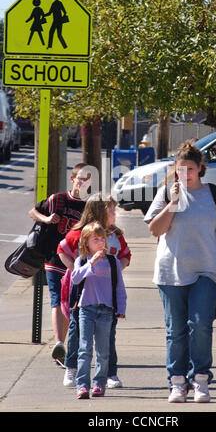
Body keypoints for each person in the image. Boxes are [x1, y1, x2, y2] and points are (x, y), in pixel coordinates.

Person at [144, 141, 216, 403]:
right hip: (171, 272)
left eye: (190, 169)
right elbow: (155, 230)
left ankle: (200, 378)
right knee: (175, 329)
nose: (185, 174)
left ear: (200, 168)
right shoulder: (166, 193)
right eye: (181, 169)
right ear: (175, 170)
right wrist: (173, 204)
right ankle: (177, 381)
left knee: (200, 324)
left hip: (207, 270)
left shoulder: (213, 195)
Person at [57, 193, 131, 388]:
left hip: (107, 294)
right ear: (99, 211)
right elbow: (61, 250)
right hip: (81, 291)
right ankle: (71, 368)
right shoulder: (79, 233)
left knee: (108, 334)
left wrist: (115, 269)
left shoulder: (115, 235)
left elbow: (126, 255)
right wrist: (76, 268)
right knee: (76, 331)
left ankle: (110, 373)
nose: (115, 214)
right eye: (111, 210)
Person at [28, 163, 91, 364]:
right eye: (81, 178)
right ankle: (59, 344)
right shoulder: (58, 199)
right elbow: (33, 212)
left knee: (72, 304)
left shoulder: (89, 206)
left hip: (77, 261)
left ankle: (66, 346)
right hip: (54, 257)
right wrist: (46, 219)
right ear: (73, 179)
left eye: (88, 179)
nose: (83, 182)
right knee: (57, 299)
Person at [71, 222, 127, 399]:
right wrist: (91, 263)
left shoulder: (112, 261)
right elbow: (75, 279)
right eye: (96, 239)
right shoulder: (81, 260)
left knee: (103, 351)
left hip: (106, 310)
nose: (100, 243)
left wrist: (121, 307)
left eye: (102, 239)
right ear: (86, 242)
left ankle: (99, 383)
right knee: (84, 348)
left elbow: (119, 286)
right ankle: (82, 385)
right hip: (86, 309)